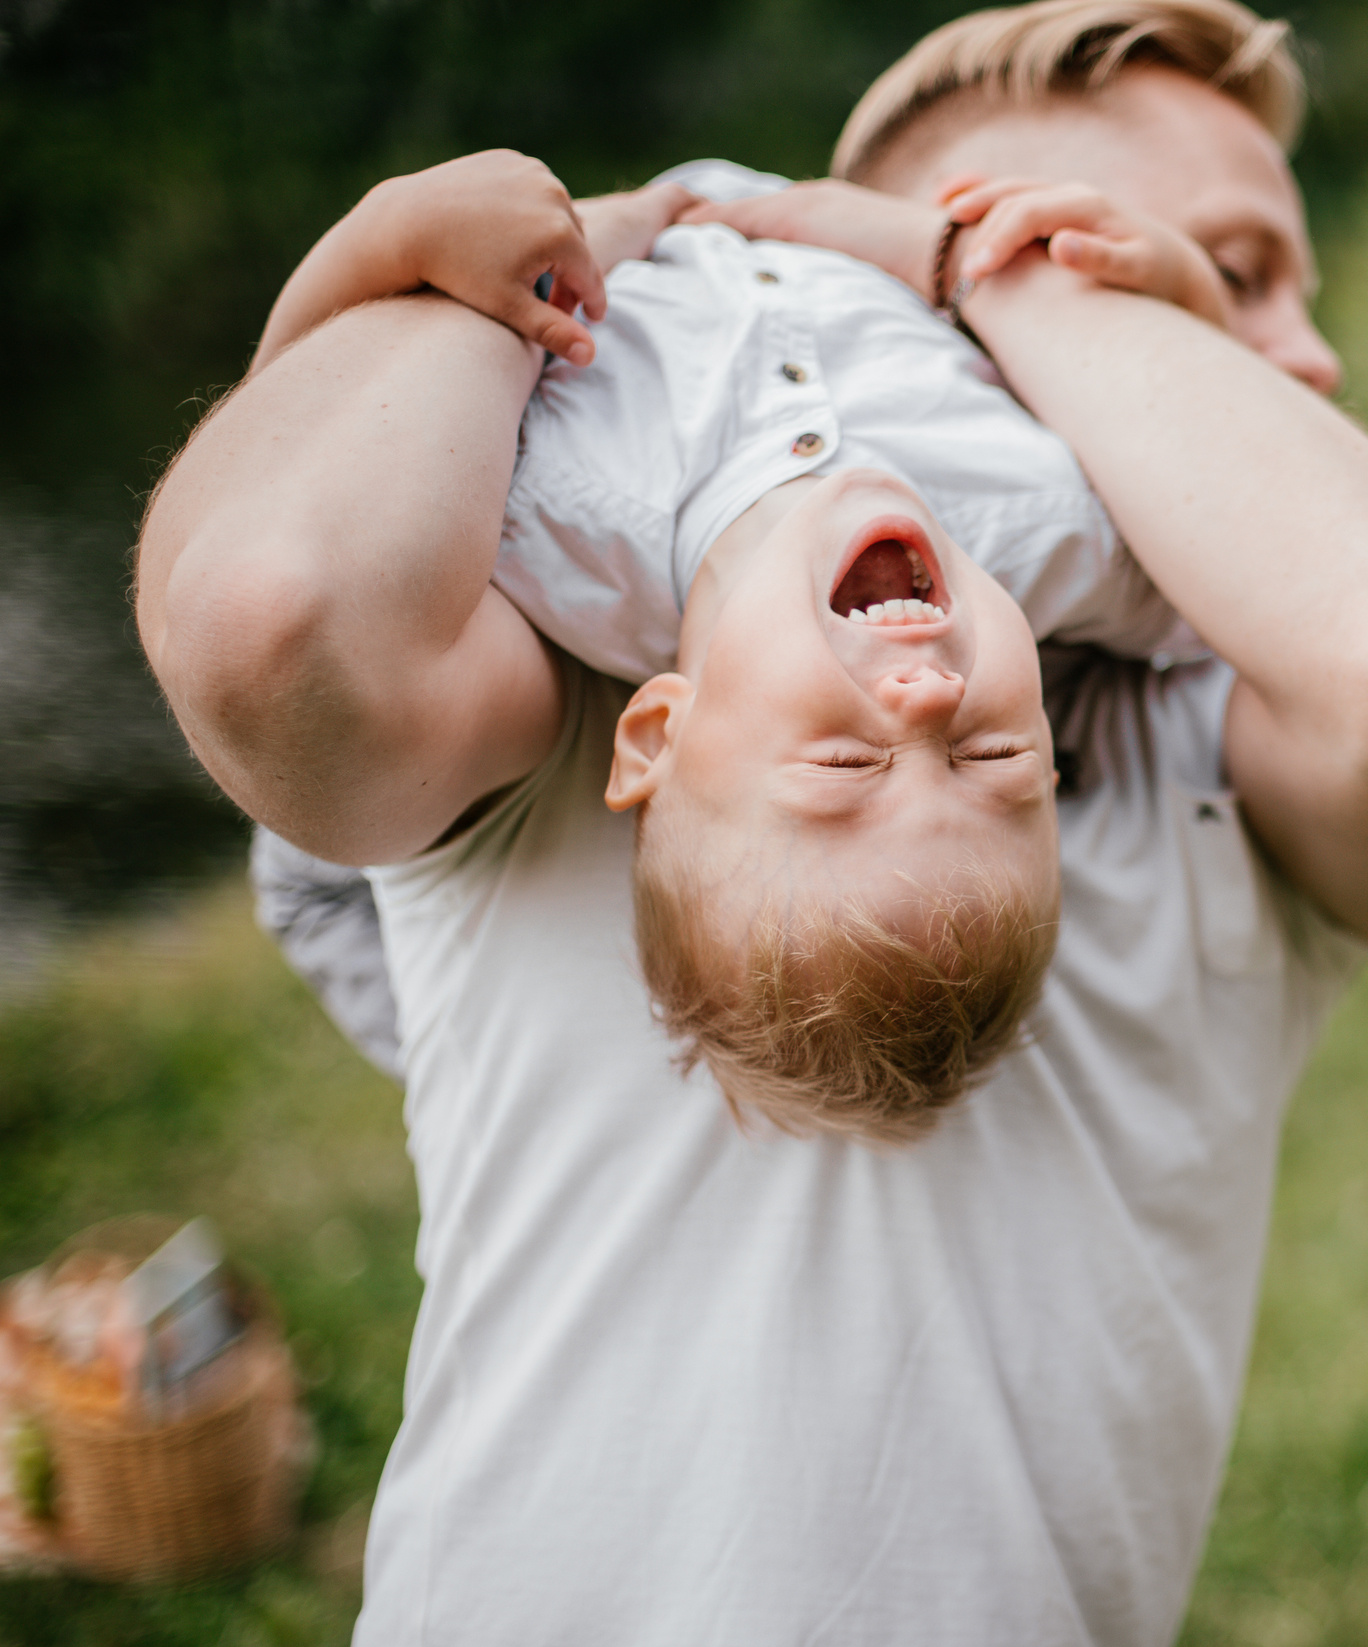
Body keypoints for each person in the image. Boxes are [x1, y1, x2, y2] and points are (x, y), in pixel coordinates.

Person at [137, 2, 1368, 1647]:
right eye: (1234, 271)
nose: (1305, 359)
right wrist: (490, 271)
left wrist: (1018, 284)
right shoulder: (571, 695)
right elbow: (266, 617)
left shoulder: (1233, 749)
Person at [247, 148, 1231, 1131]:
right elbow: (1244, 472)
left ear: (657, 737)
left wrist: (383, 239)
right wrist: (1175, 290)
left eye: (847, 764)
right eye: (993, 754)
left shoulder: (533, 538)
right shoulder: (1080, 537)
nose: (931, 701)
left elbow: (290, 461)